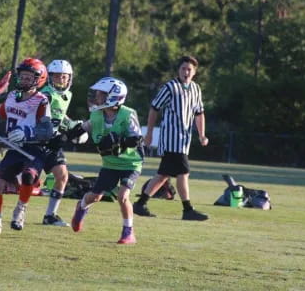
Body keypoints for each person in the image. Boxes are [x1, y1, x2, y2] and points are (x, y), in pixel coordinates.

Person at [133, 55, 209, 221]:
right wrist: (149, 133)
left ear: (195, 72)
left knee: (163, 175)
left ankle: (140, 204)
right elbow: (154, 108)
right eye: (183, 69)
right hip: (171, 140)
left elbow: (199, 113)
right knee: (183, 173)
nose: (186, 72)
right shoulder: (170, 87)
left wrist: (202, 134)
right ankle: (187, 210)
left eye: (189, 69)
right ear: (178, 70)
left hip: (184, 141)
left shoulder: (196, 89)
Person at [70, 77, 143, 244]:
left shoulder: (127, 114)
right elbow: (83, 128)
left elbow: (136, 139)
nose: (97, 98)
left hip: (130, 163)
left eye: (101, 95)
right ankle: (81, 207)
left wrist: (120, 142)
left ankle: (128, 232)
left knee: (123, 196)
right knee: (95, 196)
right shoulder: (96, 115)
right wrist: (65, 136)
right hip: (110, 164)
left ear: (114, 97)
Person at [0, 58, 50, 235]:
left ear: (38, 80)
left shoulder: (41, 101)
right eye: (22, 77)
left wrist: (27, 133)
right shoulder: (12, 96)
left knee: (29, 177)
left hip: (34, 148)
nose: (24, 80)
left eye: (29, 78)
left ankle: (20, 209)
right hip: (14, 148)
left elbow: (47, 129)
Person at [39, 60, 87, 227]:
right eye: (57, 76)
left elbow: (61, 116)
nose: (61, 80)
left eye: (64, 77)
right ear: (50, 77)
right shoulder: (45, 95)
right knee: (25, 179)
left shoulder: (67, 95)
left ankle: (50, 215)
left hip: (53, 143)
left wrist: (73, 126)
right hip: (37, 142)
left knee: (62, 176)